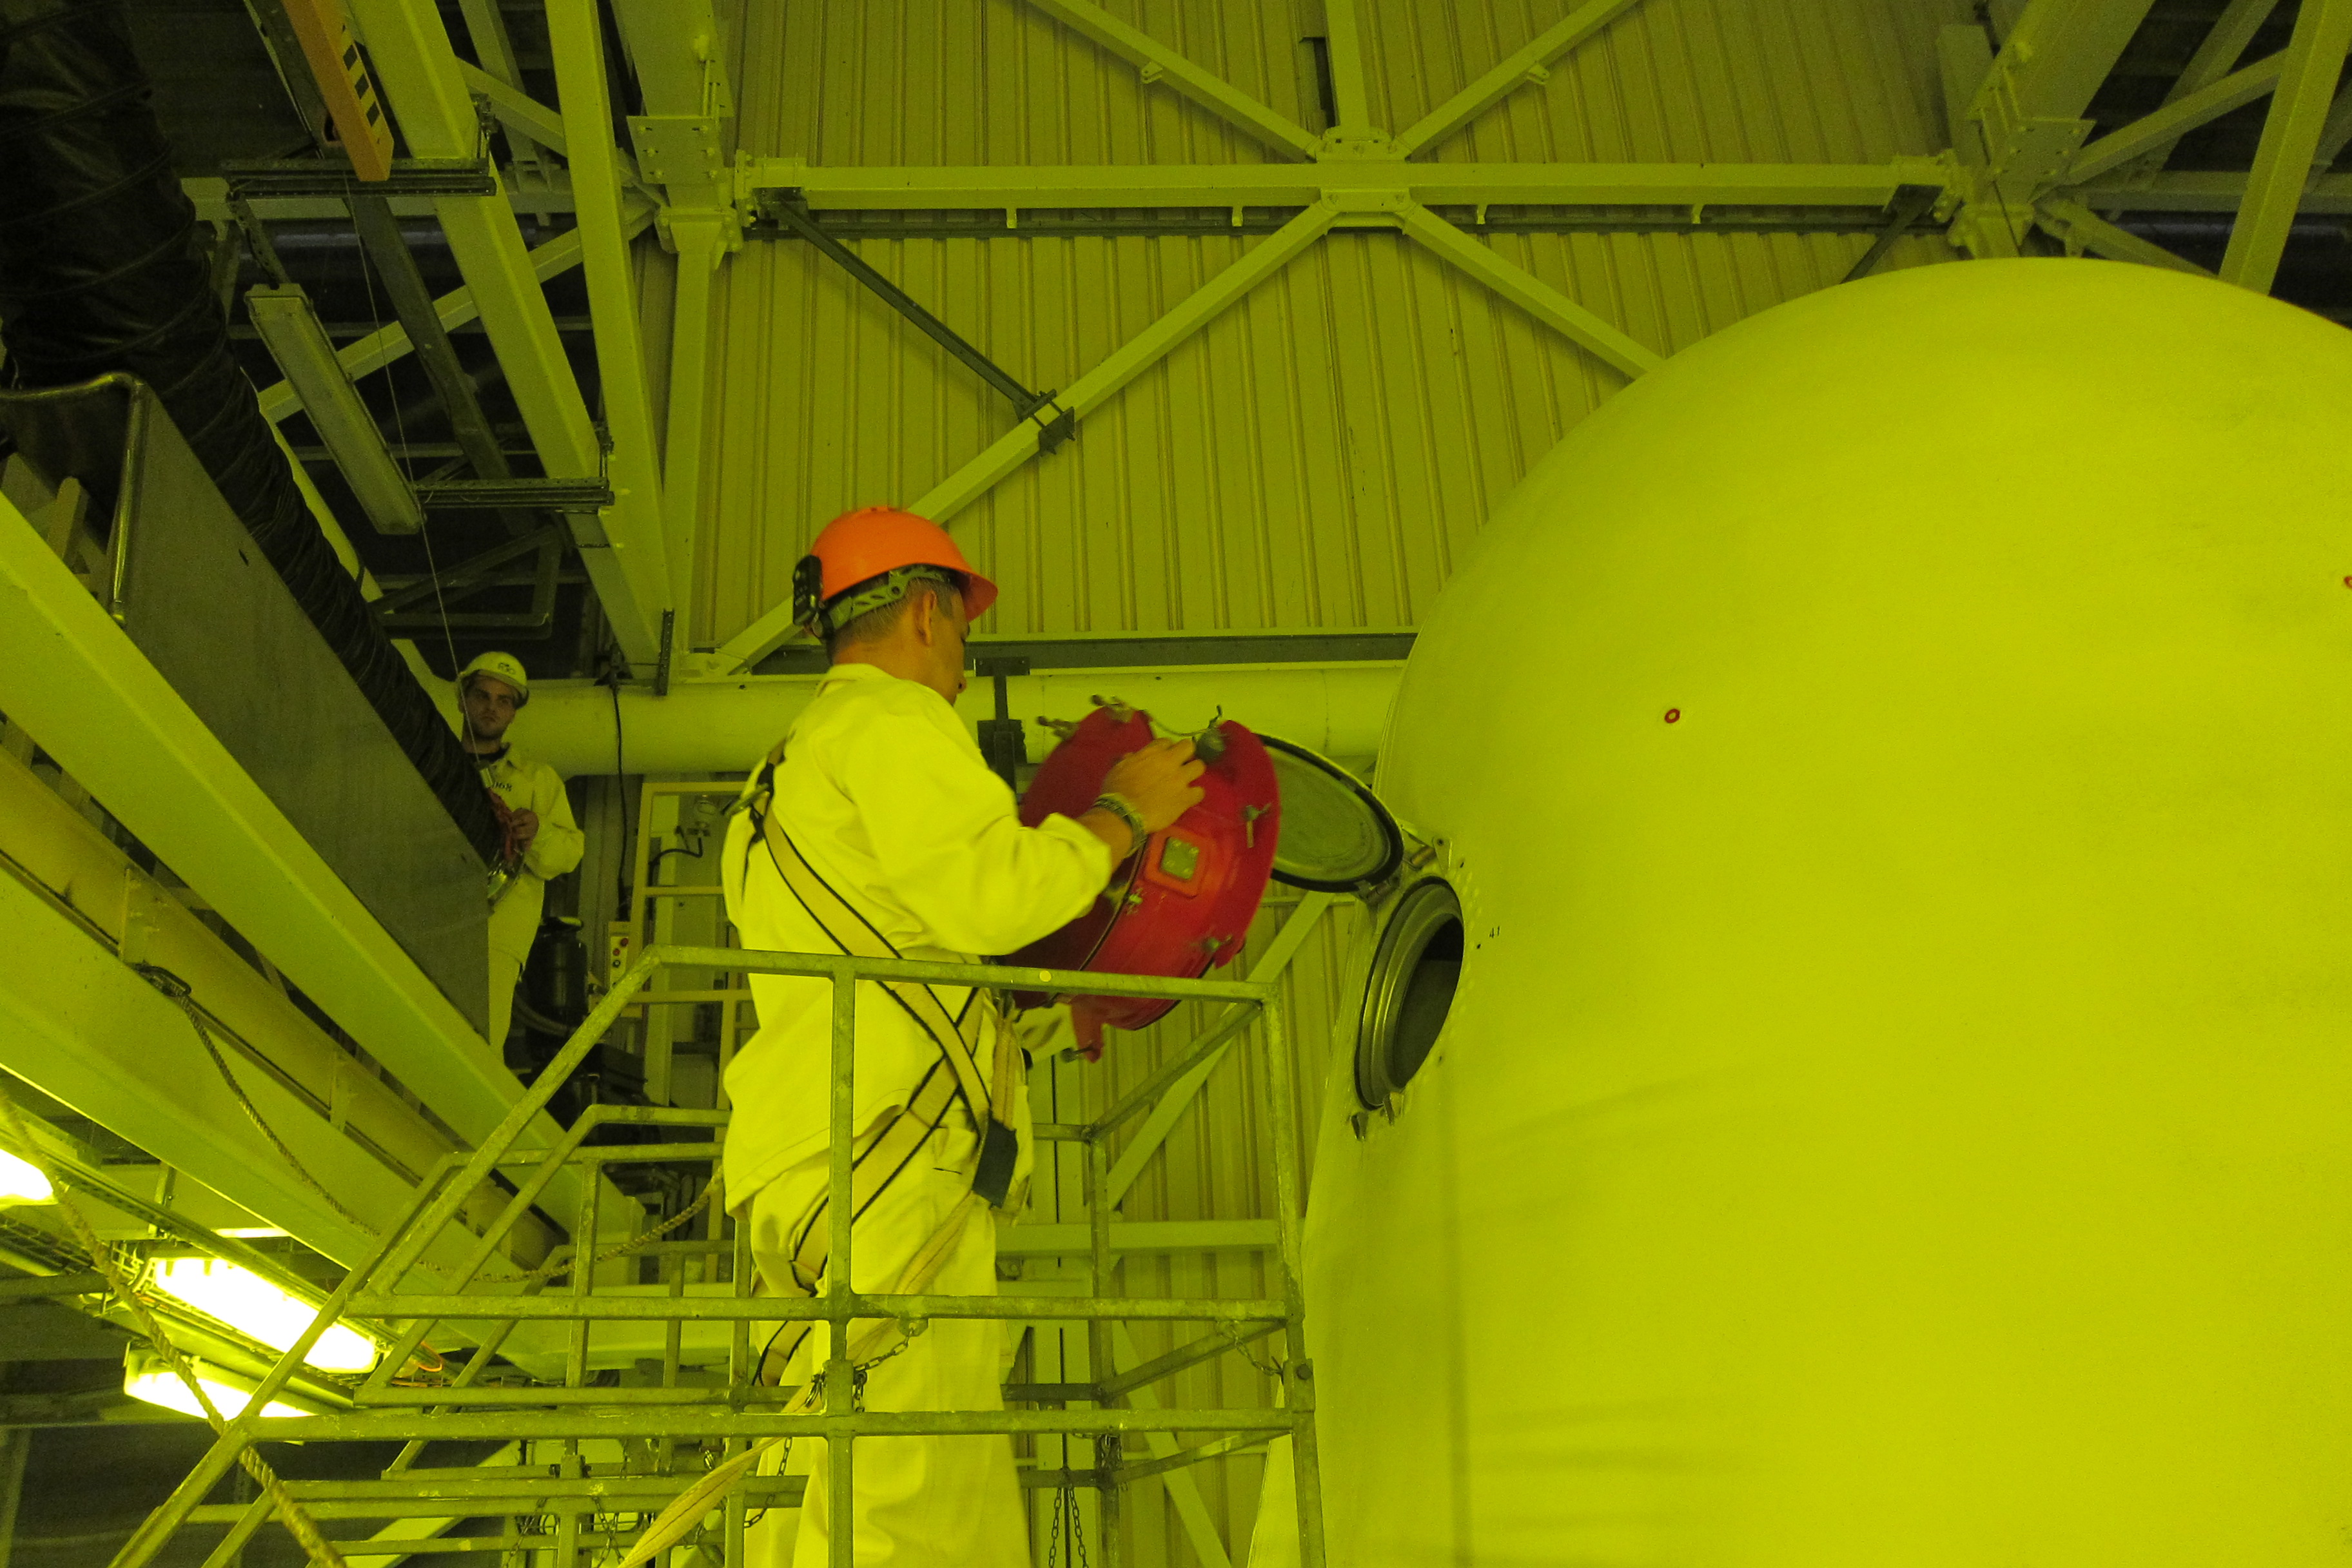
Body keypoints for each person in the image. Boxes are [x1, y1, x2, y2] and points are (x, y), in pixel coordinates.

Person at [721, 506, 1202, 1567]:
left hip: (806, 1165)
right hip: (890, 1171)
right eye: (963, 634)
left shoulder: (780, 777)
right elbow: (989, 894)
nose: (958, 666)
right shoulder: (891, 725)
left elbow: (899, 950)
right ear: (929, 616)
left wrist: (1008, 1028)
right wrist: (1122, 814)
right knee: (915, 1496)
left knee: (821, 1478)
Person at [457, 651, 584, 1052]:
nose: (492, 707)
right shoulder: (429, 761)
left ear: (514, 713)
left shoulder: (538, 782)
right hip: (419, 920)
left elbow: (567, 855)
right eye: (482, 696)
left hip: (497, 936)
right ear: (462, 700)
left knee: (477, 1048)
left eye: (504, 700)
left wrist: (538, 832)